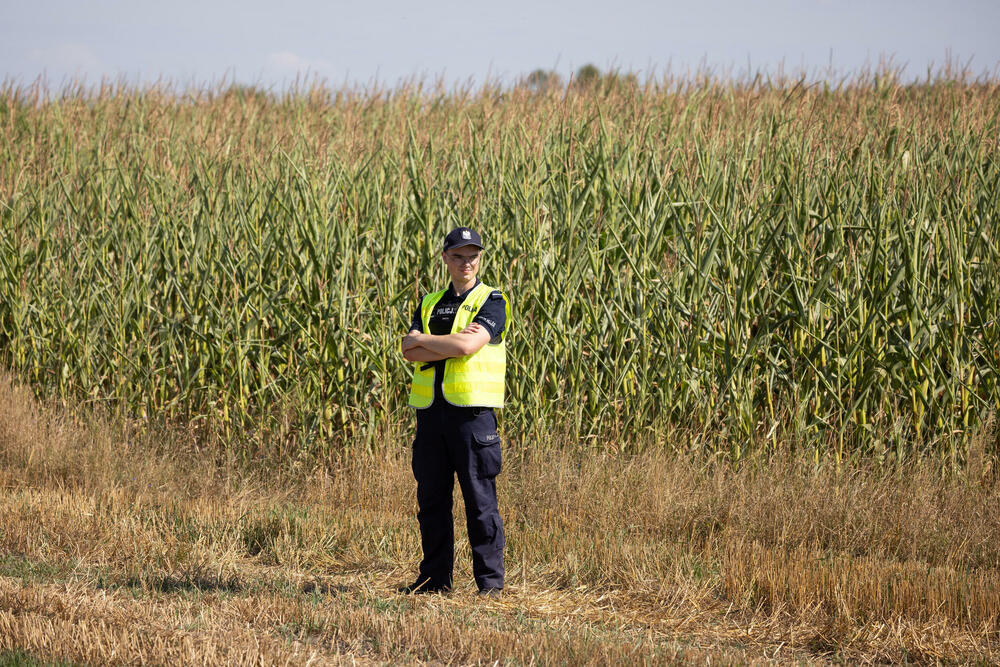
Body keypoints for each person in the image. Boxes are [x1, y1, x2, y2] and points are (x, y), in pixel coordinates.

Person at [398, 227, 510, 596]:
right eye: (459, 255)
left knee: (480, 503)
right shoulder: (430, 302)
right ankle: (433, 582)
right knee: (432, 502)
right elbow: (408, 351)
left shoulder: (491, 300)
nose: (467, 262)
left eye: (473, 255)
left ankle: (490, 587)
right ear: (445, 258)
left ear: (480, 258)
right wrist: (445, 344)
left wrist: (427, 342)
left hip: (472, 416)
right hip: (431, 415)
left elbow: (468, 345)